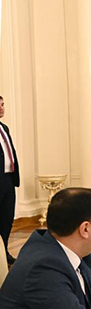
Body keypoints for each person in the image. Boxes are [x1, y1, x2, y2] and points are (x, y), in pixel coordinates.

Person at [0, 96, 19, 266]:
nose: (1, 108)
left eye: (2, 104)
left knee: (6, 218)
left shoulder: (4, 128)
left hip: (8, 180)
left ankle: (3, 252)